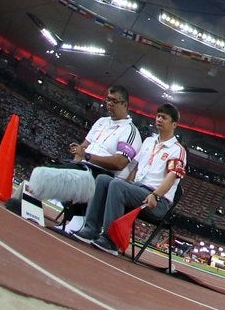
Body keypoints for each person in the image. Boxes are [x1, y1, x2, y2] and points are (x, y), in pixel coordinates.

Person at [5, 85, 141, 226]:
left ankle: (72, 218)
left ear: (125, 104)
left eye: (114, 101)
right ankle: (64, 215)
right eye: (108, 99)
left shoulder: (130, 132)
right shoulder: (102, 122)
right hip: (84, 166)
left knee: (45, 174)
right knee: (49, 168)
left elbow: (120, 163)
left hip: (101, 175)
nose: (109, 103)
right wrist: (77, 159)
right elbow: (84, 146)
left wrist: (87, 157)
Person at [72, 102, 186, 254]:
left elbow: (172, 177)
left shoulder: (177, 150)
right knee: (103, 180)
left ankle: (111, 240)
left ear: (174, 124)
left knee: (117, 186)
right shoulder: (149, 141)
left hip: (157, 201)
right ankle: (90, 228)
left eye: (164, 117)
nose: (159, 119)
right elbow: (136, 168)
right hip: (137, 189)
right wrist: (125, 182)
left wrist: (156, 195)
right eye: (158, 116)